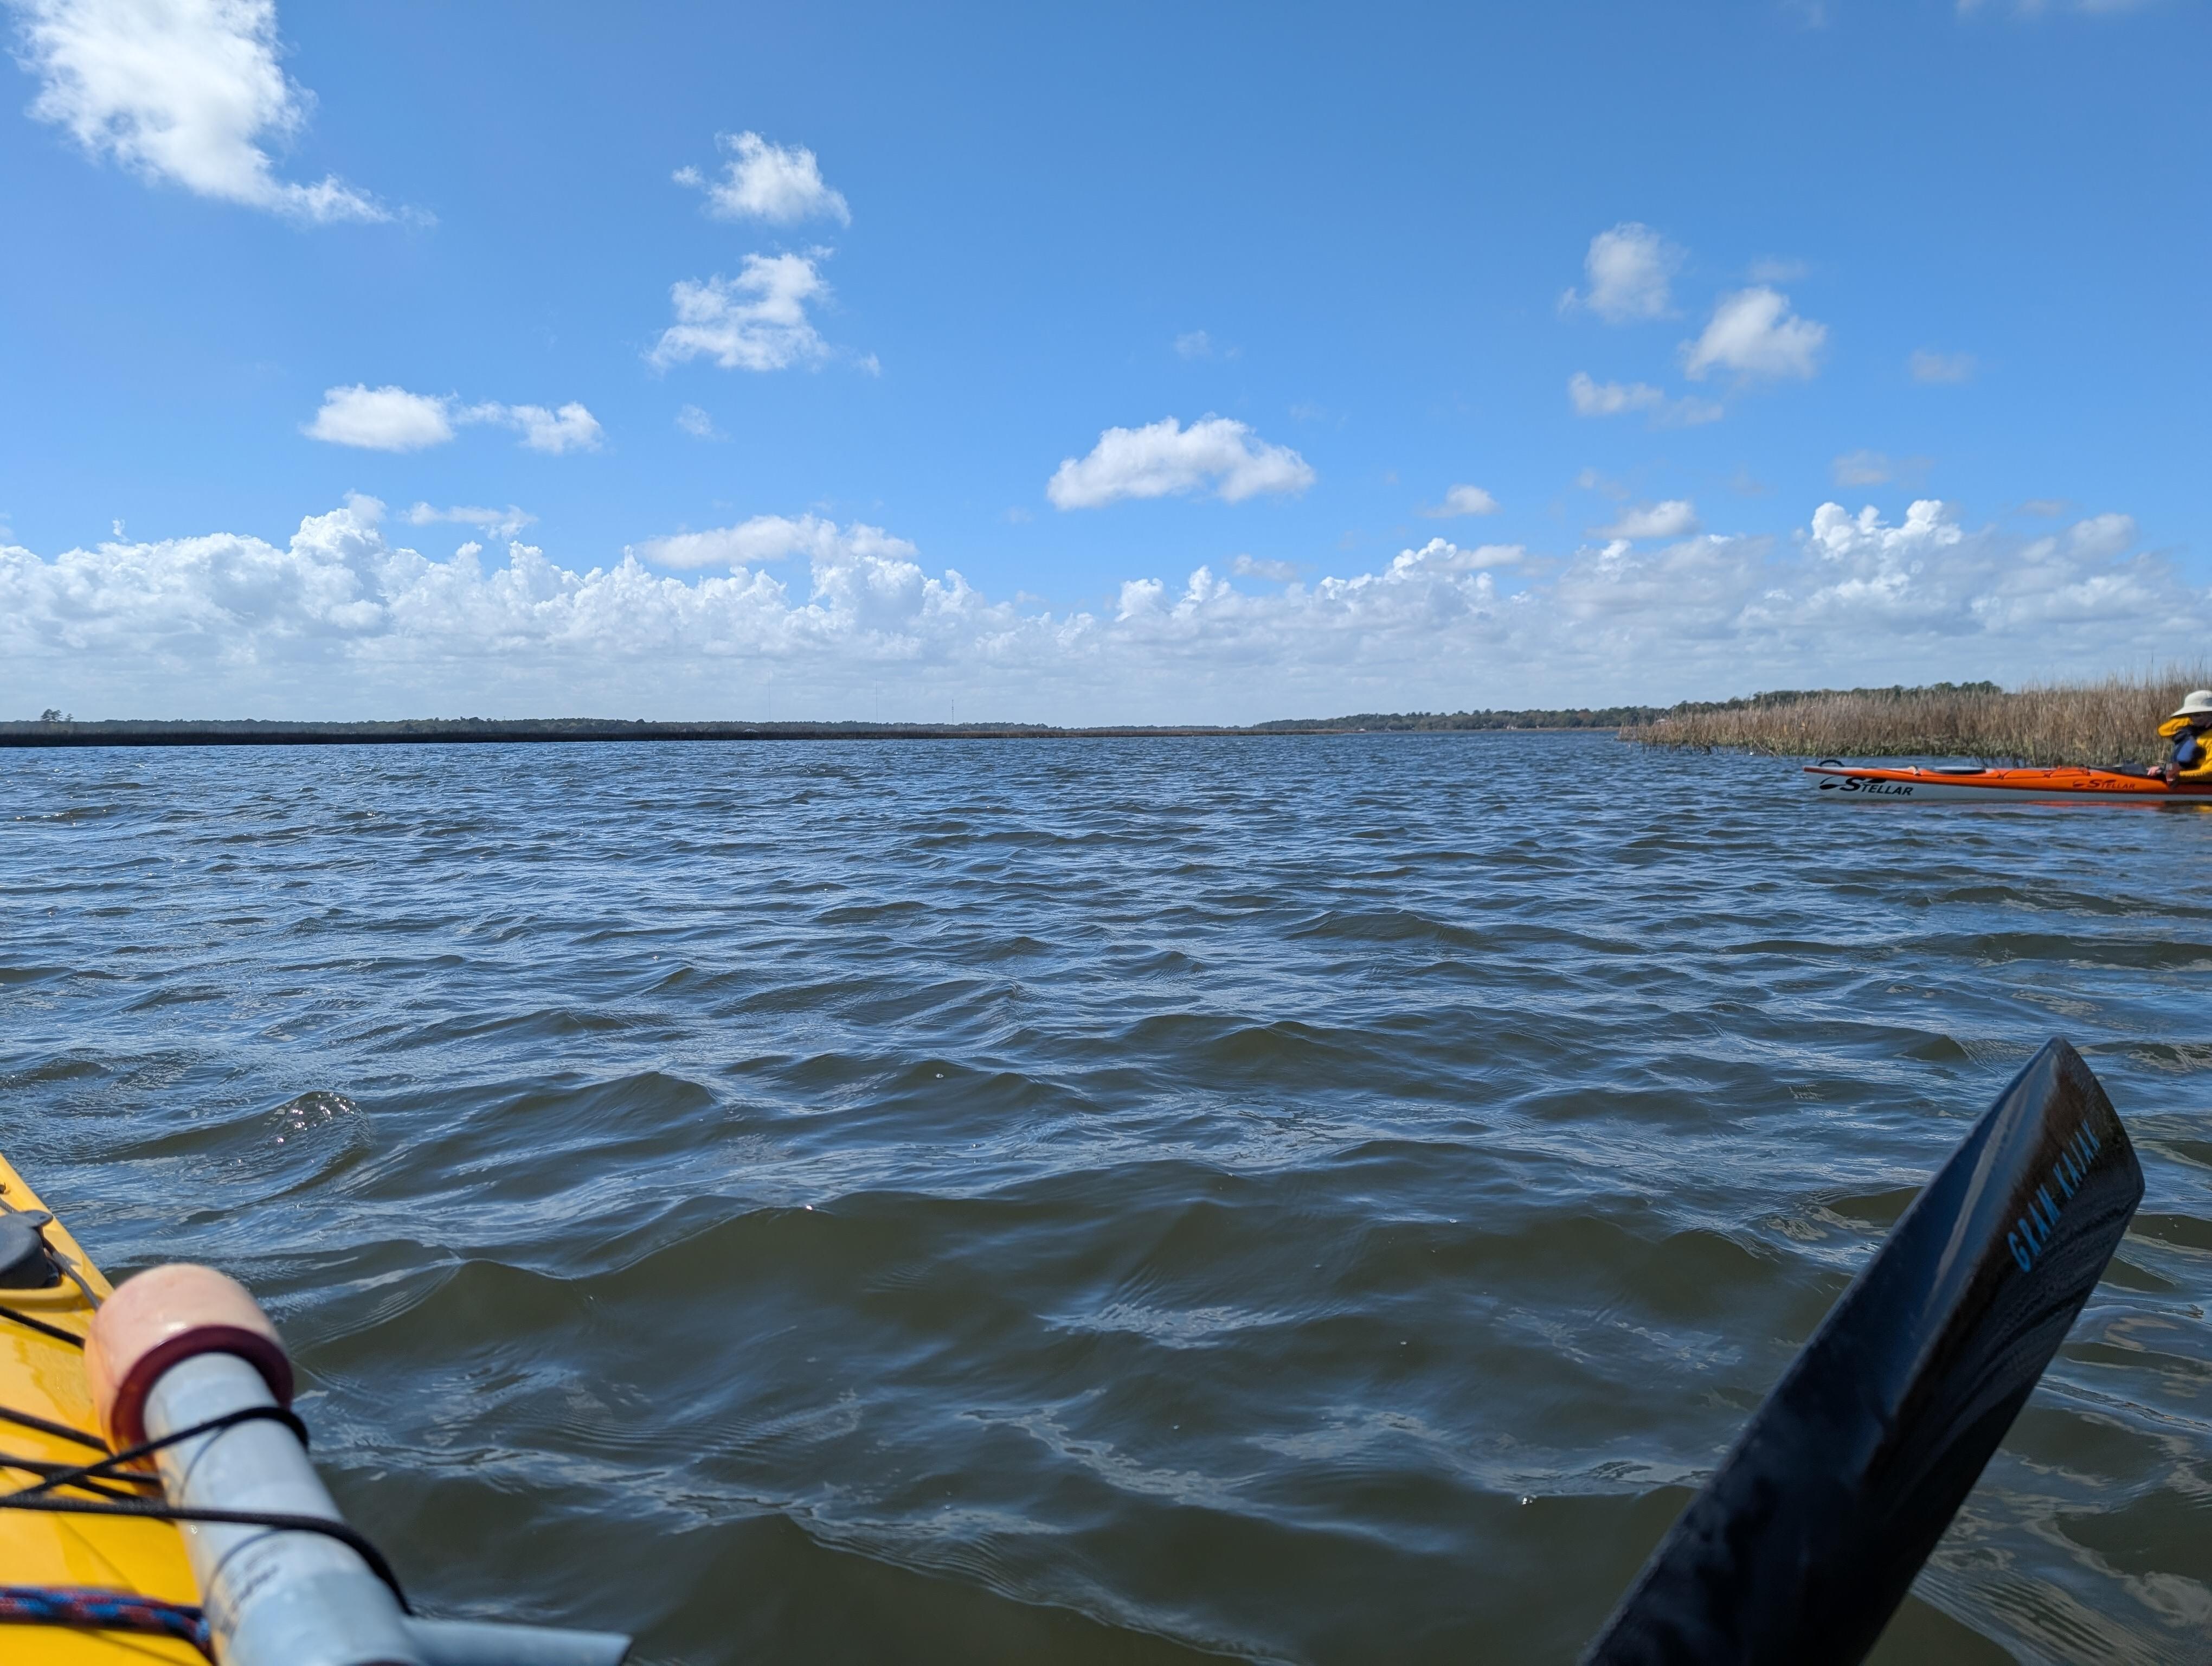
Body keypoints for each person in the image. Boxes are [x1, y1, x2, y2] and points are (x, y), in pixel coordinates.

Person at [2158, 689, 2212, 785]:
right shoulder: (2194, 730)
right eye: (2190, 716)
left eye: (2197, 715)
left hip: (2199, 783)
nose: (2193, 719)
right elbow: (2164, 731)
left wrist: (2177, 776)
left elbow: (2209, 773)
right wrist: (2190, 718)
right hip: (2181, 775)